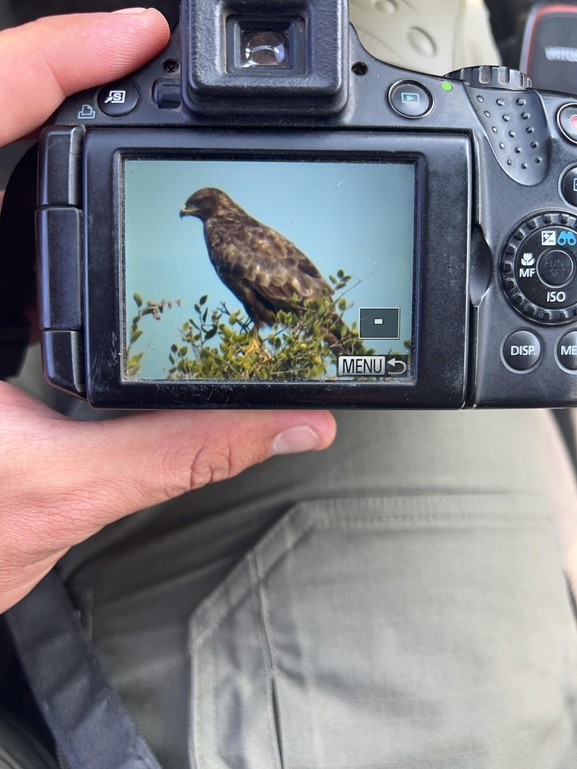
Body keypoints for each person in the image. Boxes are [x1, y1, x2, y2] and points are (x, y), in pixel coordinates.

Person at [2, 4, 577, 769]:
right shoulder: (226, 230)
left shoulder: (230, 233)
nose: (192, 210)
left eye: (197, 202)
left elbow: (278, 288)